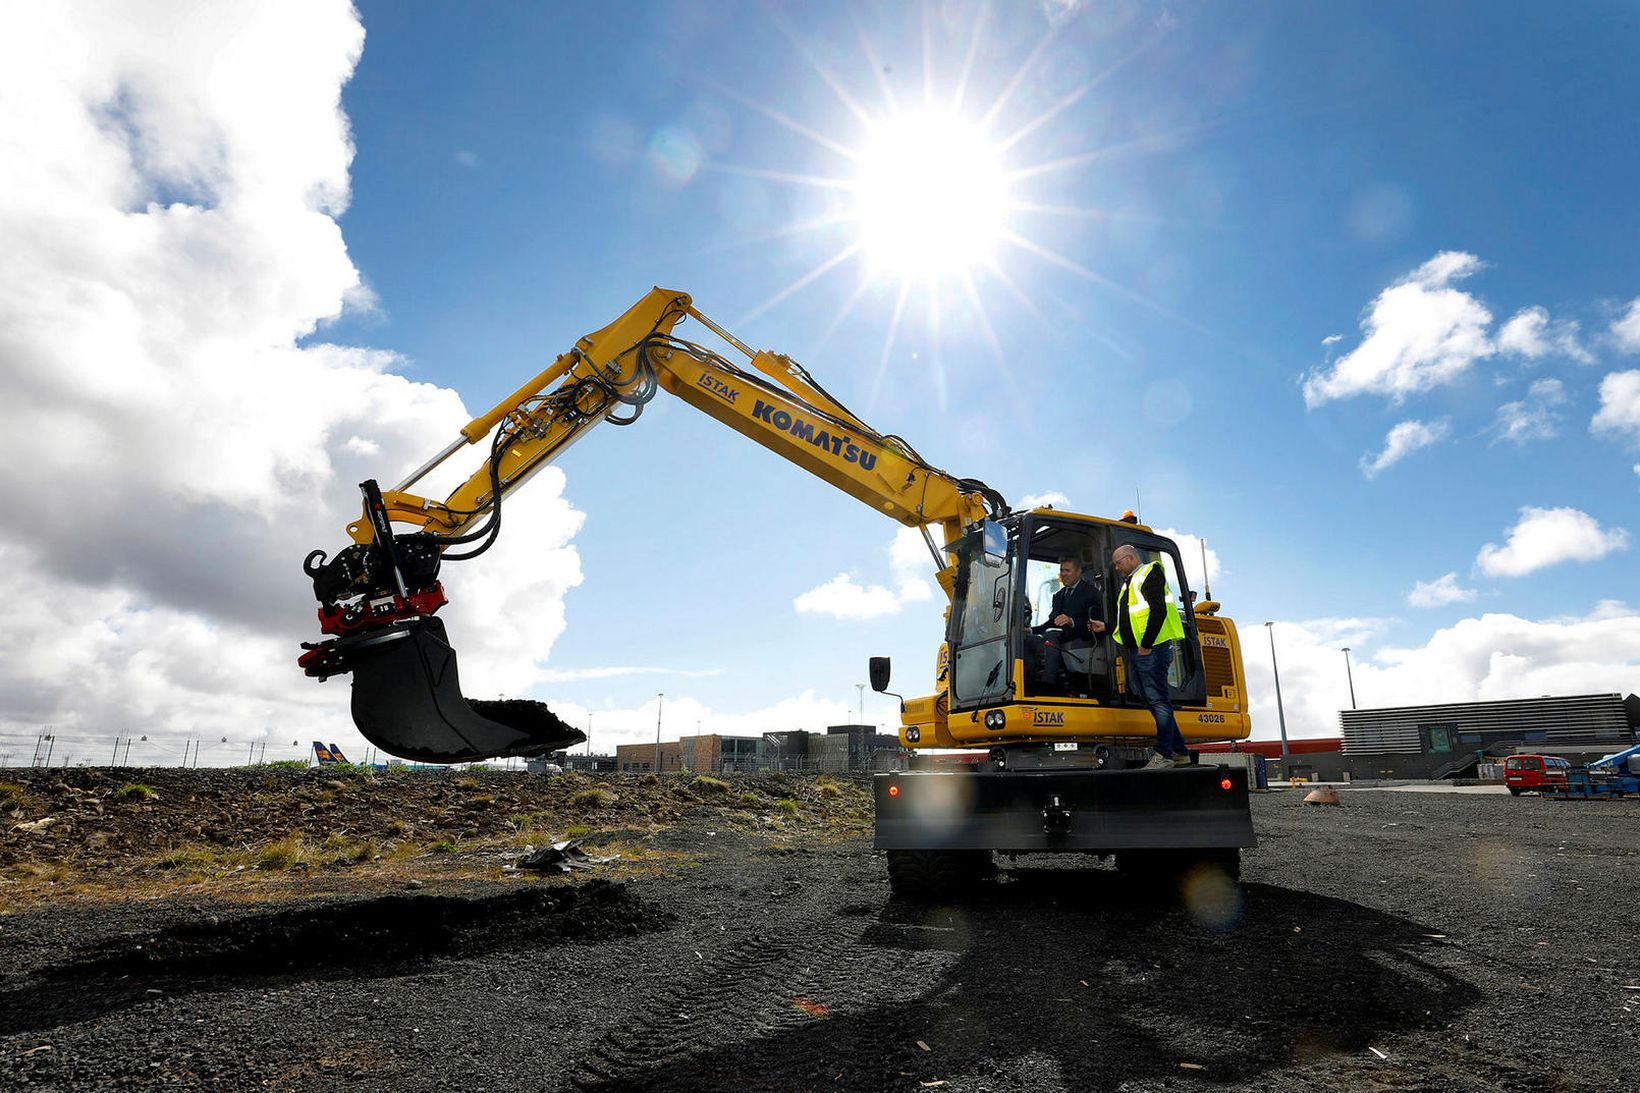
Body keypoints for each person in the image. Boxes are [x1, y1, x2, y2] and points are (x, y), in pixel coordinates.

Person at [1108, 544, 1189, 768]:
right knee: (1150, 699)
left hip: (1151, 649)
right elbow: (1128, 619)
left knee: (1158, 700)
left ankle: (1164, 755)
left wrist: (1146, 644)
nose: (1116, 568)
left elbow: (1158, 610)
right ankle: (1180, 751)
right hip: (1140, 649)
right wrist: (1105, 627)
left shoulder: (1150, 572)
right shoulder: (1130, 583)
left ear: (1131, 558)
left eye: (1118, 562)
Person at [1026, 557, 1105, 691]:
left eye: (1067, 570)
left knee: (1051, 634)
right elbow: (1052, 622)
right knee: (1027, 640)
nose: (1064, 574)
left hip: (1082, 635)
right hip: (1059, 635)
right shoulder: (1058, 595)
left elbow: (1098, 621)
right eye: (1062, 570)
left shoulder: (1091, 593)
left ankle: (1048, 683)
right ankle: (1026, 684)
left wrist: (1071, 621)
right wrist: (1030, 630)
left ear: (1079, 572)